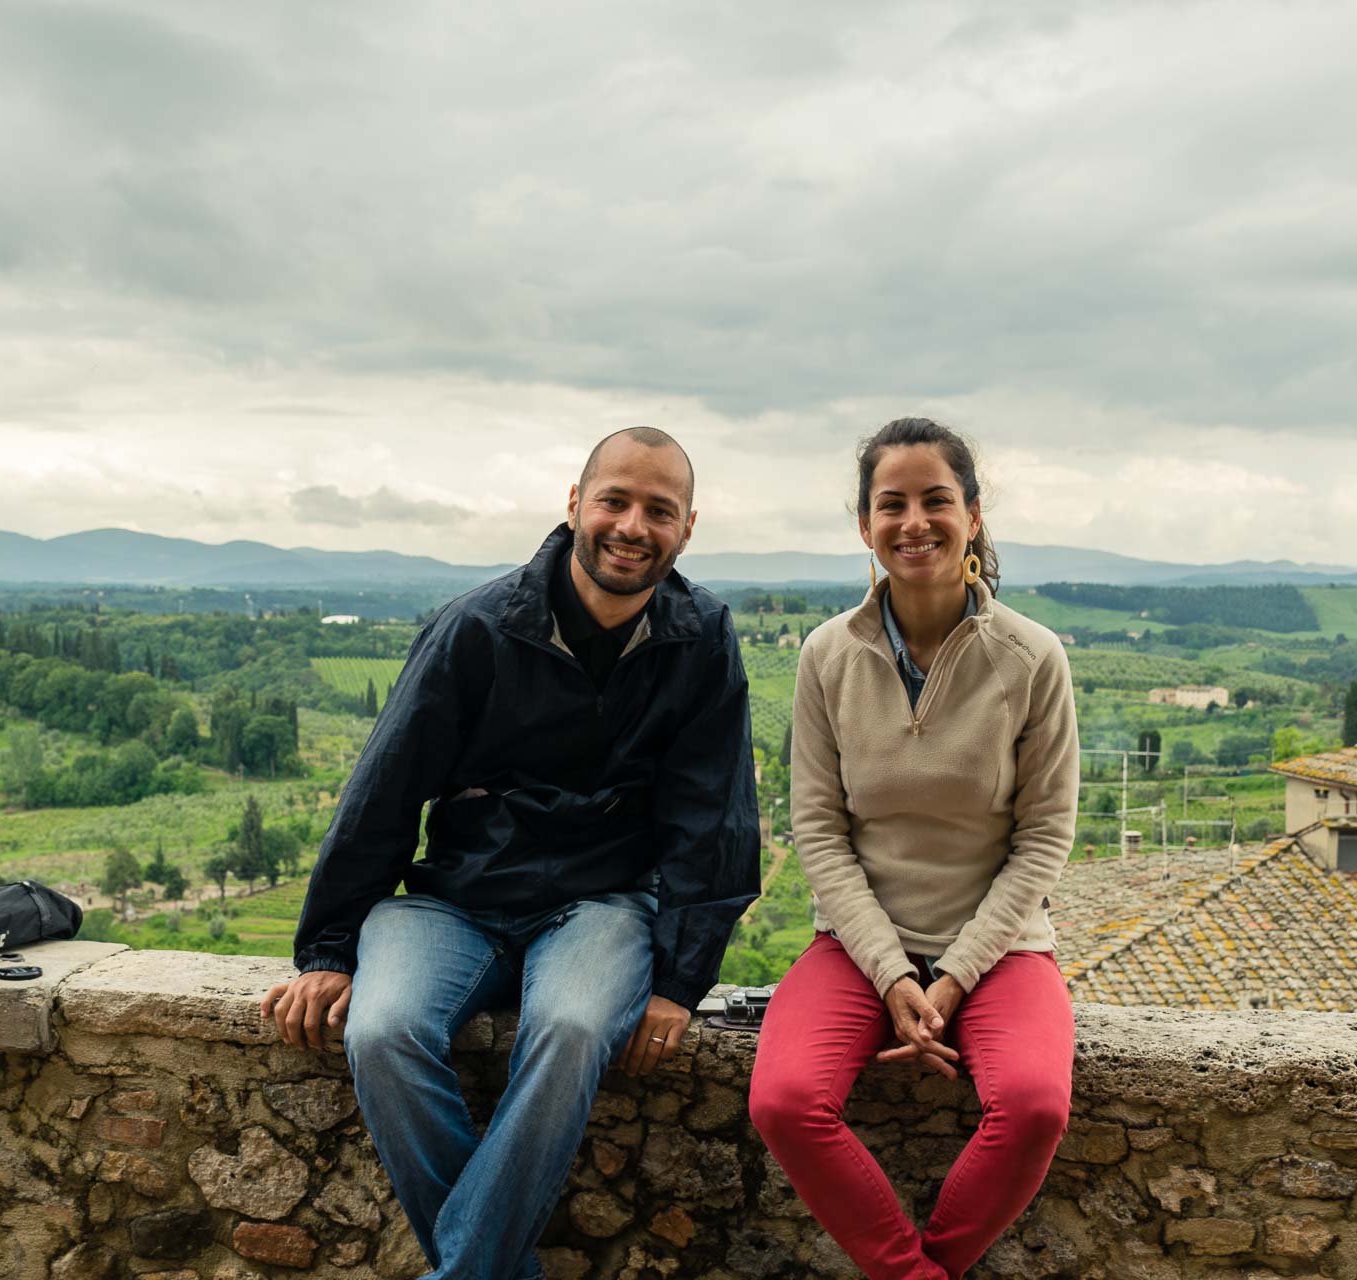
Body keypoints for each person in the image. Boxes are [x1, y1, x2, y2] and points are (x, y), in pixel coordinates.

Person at [262, 427, 760, 1280]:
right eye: (615, 499)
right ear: (574, 506)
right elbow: (384, 791)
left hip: (601, 905)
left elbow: (713, 819)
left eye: (659, 510)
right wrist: (331, 951)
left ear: (687, 527)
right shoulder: (480, 627)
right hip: (453, 898)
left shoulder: (701, 636)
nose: (633, 525)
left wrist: (680, 981)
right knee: (380, 1031)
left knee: (570, 1030)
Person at [748, 418, 1079, 1279]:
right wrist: (893, 972)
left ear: (972, 514)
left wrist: (956, 973)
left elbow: (1044, 837)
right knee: (785, 1100)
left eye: (937, 501)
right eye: (891, 504)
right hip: (858, 947)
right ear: (864, 526)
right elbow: (817, 830)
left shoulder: (1033, 657)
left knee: (1036, 1107)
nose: (915, 522)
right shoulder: (828, 655)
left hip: (1001, 947)